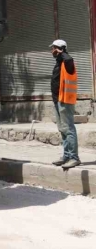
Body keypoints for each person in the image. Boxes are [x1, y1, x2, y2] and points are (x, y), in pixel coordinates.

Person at [50, 39, 80, 169]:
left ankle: (74, 158)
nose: (52, 51)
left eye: (54, 48)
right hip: (58, 100)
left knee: (69, 129)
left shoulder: (67, 62)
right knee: (62, 129)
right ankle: (66, 156)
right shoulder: (58, 63)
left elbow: (68, 59)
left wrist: (62, 52)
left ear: (61, 49)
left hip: (65, 100)